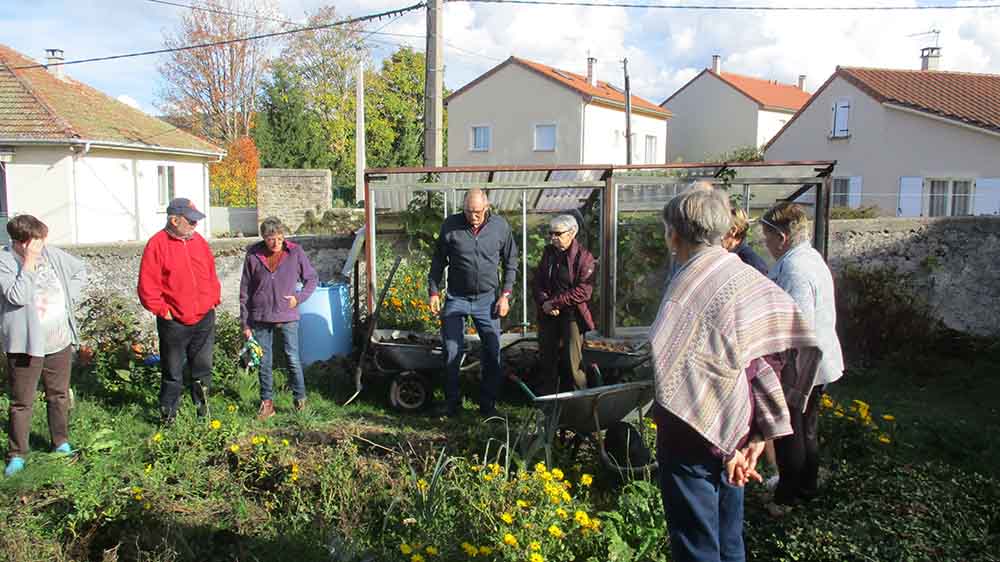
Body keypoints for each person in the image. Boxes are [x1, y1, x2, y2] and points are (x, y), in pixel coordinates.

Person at [650, 184, 823, 561]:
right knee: (729, 539)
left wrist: (746, 435)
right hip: (737, 432)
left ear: (673, 234)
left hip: (689, 436)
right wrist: (756, 434)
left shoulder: (686, 288)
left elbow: (671, 363)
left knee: (697, 545)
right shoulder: (748, 278)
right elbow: (769, 357)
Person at [760, 202, 845, 508]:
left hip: (801, 365)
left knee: (789, 430)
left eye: (766, 237)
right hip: (821, 361)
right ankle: (807, 488)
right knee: (807, 428)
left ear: (781, 237)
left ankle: (786, 496)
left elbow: (795, 326)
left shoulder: (795, 269)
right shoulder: (810, 259)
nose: (765, 244)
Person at [0, 215, 87, 477]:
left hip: (58, 339)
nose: (42, 245)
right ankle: (17, 454)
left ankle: (60, 441)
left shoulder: (52, 255)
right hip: (26, 344)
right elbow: (17, 296)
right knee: (22, 401)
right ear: (21, 242)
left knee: (58, 395)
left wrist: (67, 297)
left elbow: (79, 270)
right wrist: (28, 262)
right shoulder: (4, 262)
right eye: (37, 241)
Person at [428, 188, 518, 418]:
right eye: (469, 211)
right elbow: (438, 260)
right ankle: (452, 404)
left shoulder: (500, 227)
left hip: (487, 299)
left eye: (477, 212)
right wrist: (434, 292)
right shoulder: (451, 225)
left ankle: (487, 406)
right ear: (463, 208)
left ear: (486, 208)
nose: (473, 216)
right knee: (451, 350)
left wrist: (505, 295)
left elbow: (511, 261)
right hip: (456, 298)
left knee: (492, 350)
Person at [138, 198, 221, 425]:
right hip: (174, 321)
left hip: (204, 317)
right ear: (174, 220)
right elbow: (148, 286)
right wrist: (163, 311)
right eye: (191, 221)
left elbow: (211, 273)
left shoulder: (199, 242)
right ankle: (168, 417)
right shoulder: (157, 244)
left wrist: (213, 299)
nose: (195, 225)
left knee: (202, 369)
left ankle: (203, 414)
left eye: (196, 221)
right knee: (172, 372)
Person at [239, 217, 318, 420]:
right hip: (260, 316)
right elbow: (245, 291)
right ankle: (267, 404)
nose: (276, 243)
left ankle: (300, 401)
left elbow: (311, 278)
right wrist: (245, 323)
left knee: (292, 358)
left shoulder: (295, 252)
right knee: (264, 361)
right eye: (271, 239)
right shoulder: (253, 254)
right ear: (264, 238)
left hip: (287, 315)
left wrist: (298, 299)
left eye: (280, 238)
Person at [532, 214, 596, 394]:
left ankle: (580, 405)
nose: (553, 237)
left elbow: (584, 291)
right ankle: (549, 405)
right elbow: (537, 281)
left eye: (558, 233)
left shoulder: (584, 257)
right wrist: (545, 302)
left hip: (572, 315)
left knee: (573, 364)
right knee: (547, 360)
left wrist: (556, 303)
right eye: (551, 233)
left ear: (572, 233)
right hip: (548, 314)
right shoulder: (549, 253)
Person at [722, 207, 768, 275]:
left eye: (719, 229)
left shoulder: (753, 264)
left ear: (733, 231)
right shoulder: (727, 257)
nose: (715, 235)